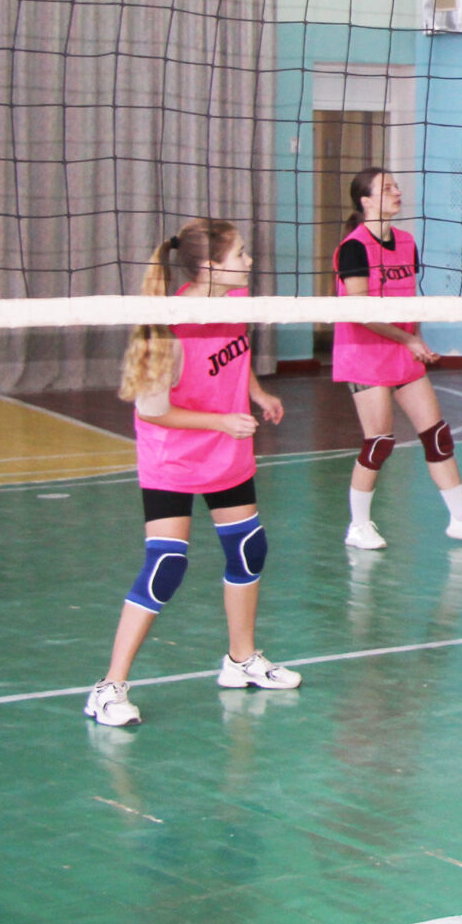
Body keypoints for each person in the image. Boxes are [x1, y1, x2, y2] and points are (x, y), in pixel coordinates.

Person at [84, 218, 301, 728]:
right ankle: (108, 687)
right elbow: (152, 410)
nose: (249, 261)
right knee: (166, 565)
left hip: (225, 453)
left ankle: (241, 660)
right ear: (209, 267)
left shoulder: (234, 306)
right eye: (240, 254)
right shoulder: (170, 328)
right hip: (173, 459)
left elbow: (236, 357)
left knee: (248, 549)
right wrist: (222, 420)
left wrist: (256, 393)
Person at [335, 167, 462, 551]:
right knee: (379, 442)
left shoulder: (407, 242)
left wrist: (418, 339)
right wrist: (407, 339)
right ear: (366, 201)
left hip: (401, 348)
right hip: (363, 353)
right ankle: (358, 526)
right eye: (387, 188)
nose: (397, 192)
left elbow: (409, 298)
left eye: (396, 186)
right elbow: (361, 312)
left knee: (437, 435)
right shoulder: (354, 247)